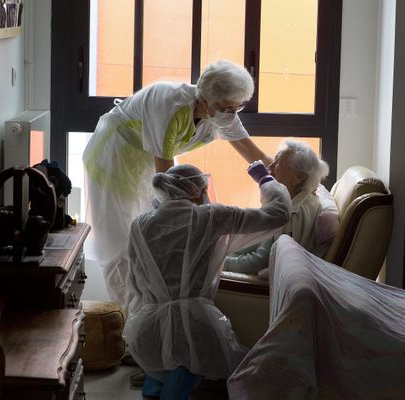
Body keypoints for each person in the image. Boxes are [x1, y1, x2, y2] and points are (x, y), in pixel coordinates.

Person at [83, 60, 272, 307]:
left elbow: (254, 153)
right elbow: (169, 184)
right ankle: (124, 322)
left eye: (239, 107)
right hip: (111, 162)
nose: (233, 114)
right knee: (119, 248)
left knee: (145, 245)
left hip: (143, 167)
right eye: (229, 108)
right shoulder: (168, 106)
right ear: (206, 100)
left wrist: (291, 178)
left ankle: (143, 313)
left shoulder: (222, 111)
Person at [122, 163, 291, 399]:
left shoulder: (140, 224)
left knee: (168, 342)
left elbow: (135, 281)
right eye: (204, 189)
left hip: (145, 328)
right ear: (195, 190)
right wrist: (266, 180)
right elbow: (279, 214)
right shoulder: (211, 216)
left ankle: (155, 386)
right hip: (195, 326)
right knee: (191, 345)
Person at [224, 139, 330, 275]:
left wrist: (219, 262)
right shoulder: (301, 199)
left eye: (278, 162)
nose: (270, 166)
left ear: (298, 177)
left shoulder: (288, 214)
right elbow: (257, 242)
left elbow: (258, 262)